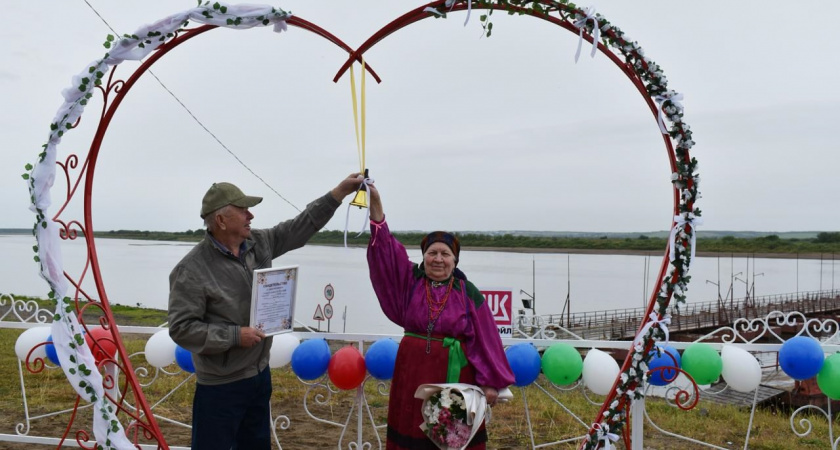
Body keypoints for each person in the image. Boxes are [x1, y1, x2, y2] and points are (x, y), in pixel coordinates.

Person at [168, 174, 362, 450]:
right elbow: (182, 329)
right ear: (221, 220)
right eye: (243, 210)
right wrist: (236, 336)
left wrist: (338, 193)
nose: (251, 215)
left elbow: (301, 226)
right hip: (220, 387)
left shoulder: (259, 242)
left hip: (259, 377)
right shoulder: (191, 270)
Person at [365, 183, 515, 450]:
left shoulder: (467, 292)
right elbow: (385, 251)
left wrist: (490, 383)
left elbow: (487, 340)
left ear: (455, 261)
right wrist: (375, 203)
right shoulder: (410, 281)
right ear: (423, 258)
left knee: (450, 438)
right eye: (431, 253)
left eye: (445, 254)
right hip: (412, 372)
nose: (438, 259)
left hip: (456, 377)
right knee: (411, 431)